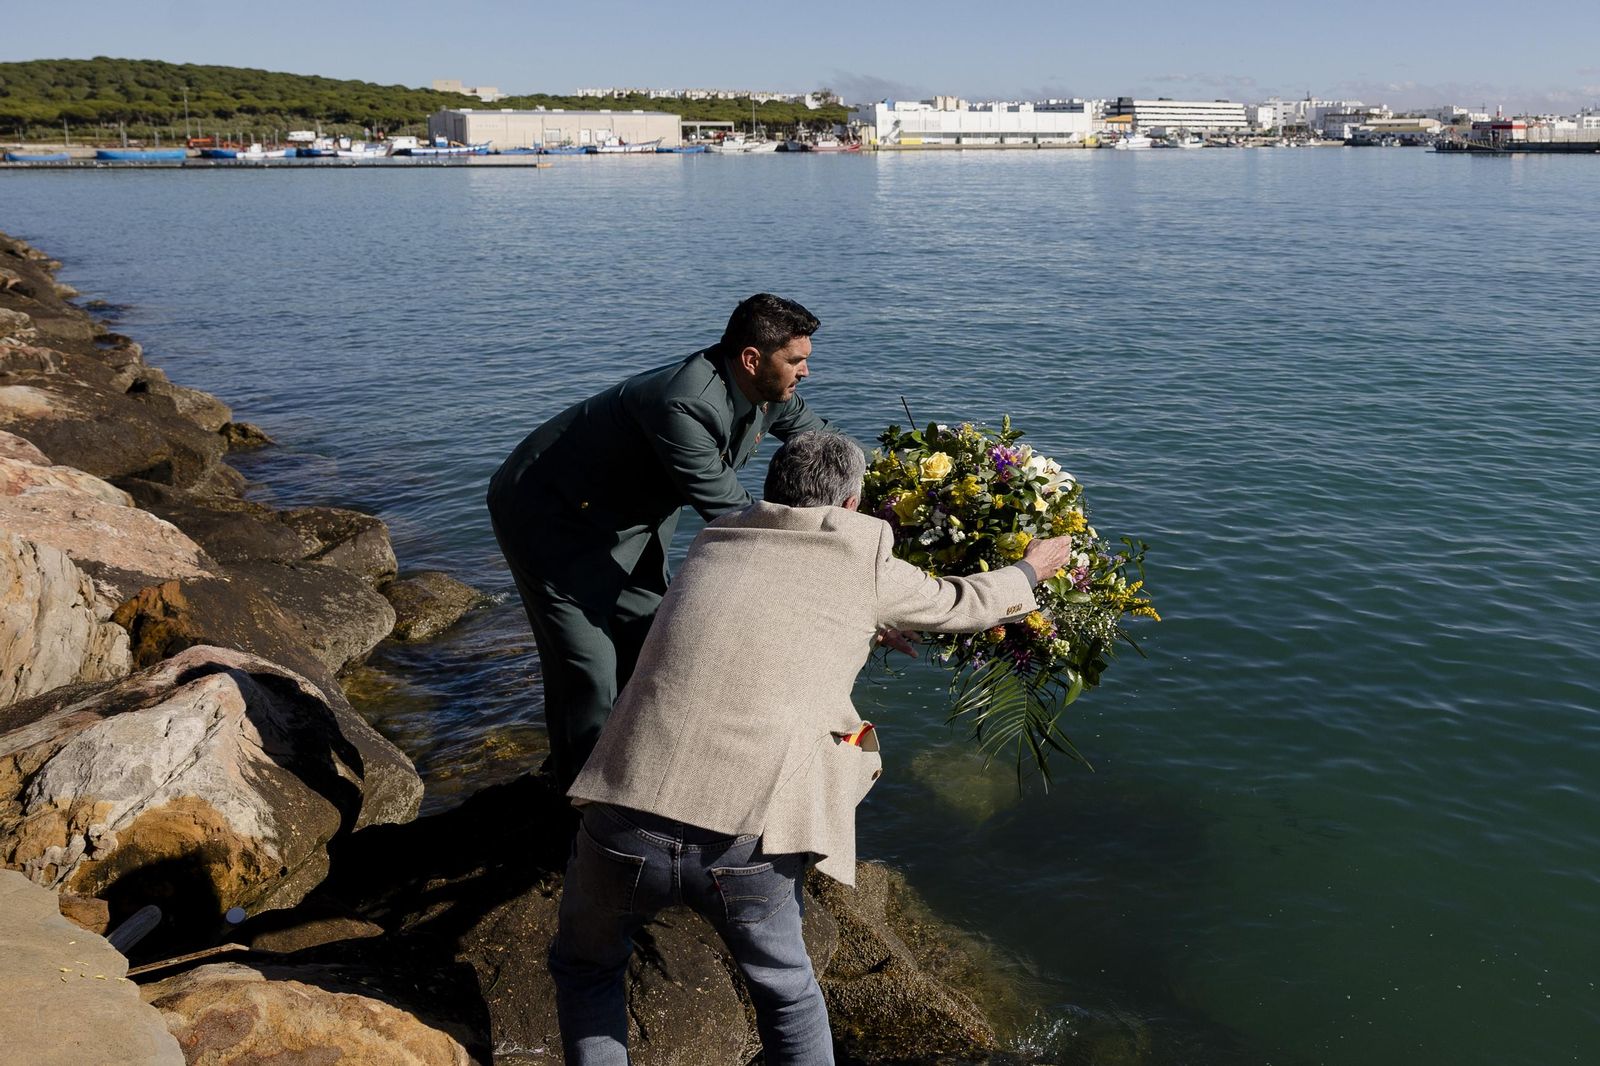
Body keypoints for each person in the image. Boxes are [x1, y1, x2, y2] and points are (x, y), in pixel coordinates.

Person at [550, 430, 1076, 1066]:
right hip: (743, 840)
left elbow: (759, 618)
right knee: (788, 998)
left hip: (624, 810)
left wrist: (857, 626)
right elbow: (961, 602)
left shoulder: (716, 542)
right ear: (851, 506)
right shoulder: (861, 555)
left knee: (587, 970)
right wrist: (1030, 570)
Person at [486, 294, 829, 787]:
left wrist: (905, 491)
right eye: (795, 361)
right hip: (550, 517)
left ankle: (631, 770)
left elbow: (827, 445)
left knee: (649, 639)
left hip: (631, 517)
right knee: (587, 668)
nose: (805, 373)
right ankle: (579, 808)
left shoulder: (769, 392)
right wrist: (832, 573)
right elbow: (738, 519)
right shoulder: (684, 404)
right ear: (753, 360)